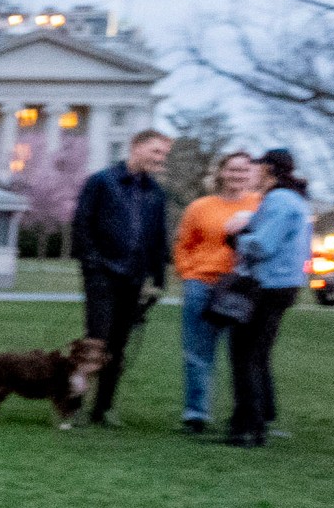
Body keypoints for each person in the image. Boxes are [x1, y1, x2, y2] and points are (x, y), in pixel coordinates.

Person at [71, 128, 174, 427]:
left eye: (164, 155)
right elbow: (82, 224)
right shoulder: (102, 182)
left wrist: (158, 280)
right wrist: (92, 265)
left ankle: (103, 408)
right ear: (136, 147)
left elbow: (158, 239)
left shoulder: (155, 192)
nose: (160, 159)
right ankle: (74, 404)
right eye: (156, 152)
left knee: (119, 345)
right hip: (102, 276)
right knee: (95, 343)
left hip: (134, 279)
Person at [221, 149, 310, 448]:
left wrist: (236, 237)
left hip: (266, 287)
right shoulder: (294, 200)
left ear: (269, 170)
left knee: (246, 356)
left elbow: (262, 245)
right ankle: (252, 424)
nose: (253, 172)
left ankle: (247, 427)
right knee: (255, 356)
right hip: (281, 286)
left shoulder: (279, 200)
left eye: (257, 167)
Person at [171, 151, 260, 434]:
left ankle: (244, 414)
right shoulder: (201, 207)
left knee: (244, 355)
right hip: (203, 283)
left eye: (244, 170)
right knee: (198, 352)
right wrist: (188, 272)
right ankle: (196, 413)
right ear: (221, 173)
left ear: (252, 174)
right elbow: (183, 243)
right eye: (232, 169)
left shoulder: (260, 205)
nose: (238, 175)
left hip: (241, 287)